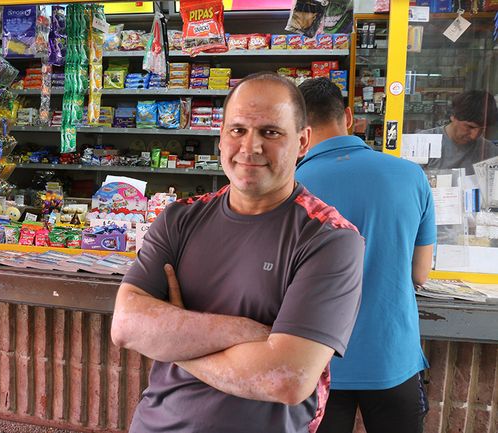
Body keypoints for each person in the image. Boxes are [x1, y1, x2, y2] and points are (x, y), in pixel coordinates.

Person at [110, 72, 365, 433]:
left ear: (303, 141)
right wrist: (248, 332)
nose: (250, 146)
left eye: (270, 132)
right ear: (221, 137)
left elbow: (287, 380)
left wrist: (174, 339)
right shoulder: (179, 218)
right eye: (238, 130)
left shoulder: (330, 239)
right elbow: (126, 326)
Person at [295, 78, 436, 433]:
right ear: (348, 116)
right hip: (393, 358)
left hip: (316, 361)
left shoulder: (289, 186)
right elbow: (420, 273)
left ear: (298, 129)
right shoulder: (412, 176)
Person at [419, 90, 498, 175]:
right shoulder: (423, 142)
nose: (474, 136)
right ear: (453, 116)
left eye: (482, 129)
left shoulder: (490, 151)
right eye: (470, 127)